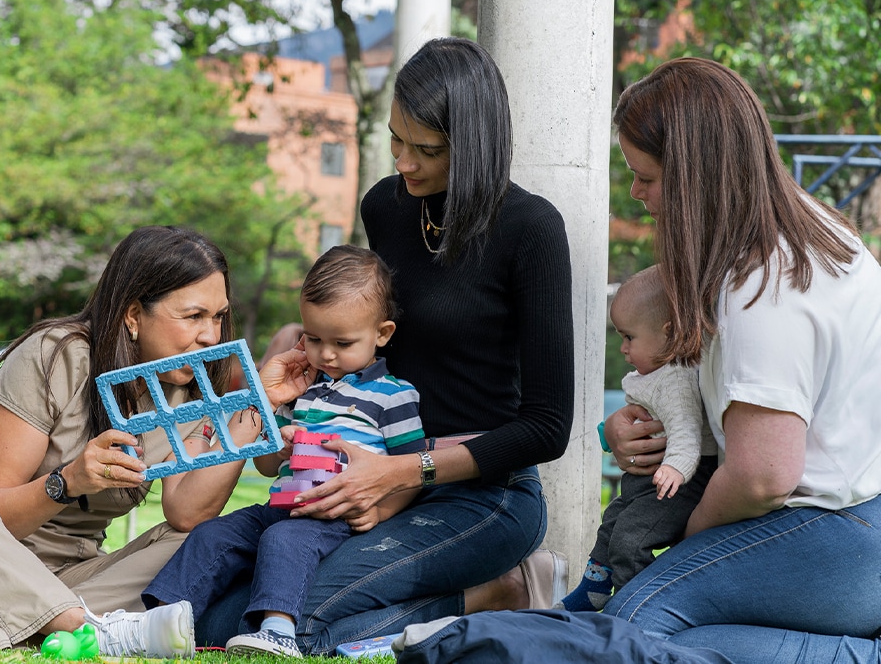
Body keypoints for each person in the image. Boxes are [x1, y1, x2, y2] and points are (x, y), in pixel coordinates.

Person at [392, 57, 881, 663]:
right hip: (846, 522)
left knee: (628, 624)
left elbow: (763, 475)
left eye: (643, 176)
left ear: (693, 176)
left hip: (834, 533)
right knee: (641, 635)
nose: (636, 192)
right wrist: (643, 425)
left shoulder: (764, 285)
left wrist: (689, 543)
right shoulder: (809, 229)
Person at [192, 37, 575, 656]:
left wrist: (402, 471)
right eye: (397, 139)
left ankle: (501, 589)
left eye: (426, 149)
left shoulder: (531, 230)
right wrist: (309, 354)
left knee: (292, 624)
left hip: (483, 494)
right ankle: (469, 599)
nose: (403, 161)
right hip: (372, 478)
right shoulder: (386, 208)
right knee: (224, 617)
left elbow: (548, 427)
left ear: (474, 145)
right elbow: (367, 333)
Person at [0, 226, 315, 658]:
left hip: (69, 580)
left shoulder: (188, 390)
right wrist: (69, 482)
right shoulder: (57, 354)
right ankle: (83, 629)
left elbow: (187, 514)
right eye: (194, 316)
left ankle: (58, 624)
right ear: (132, 316)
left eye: (218, 317)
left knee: (205, 539)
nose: (210, 336)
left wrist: (260, 403)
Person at [144, 245, 425, 658]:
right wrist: (282, 446)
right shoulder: (306, 391)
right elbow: (265, 460)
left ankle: (277, 630)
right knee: (214, 533)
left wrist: (381, 511)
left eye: (342, 342)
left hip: (333, 513)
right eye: (313, 339)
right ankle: (157, 619)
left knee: (284, 539)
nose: (325, 354)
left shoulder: (393, 396)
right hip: (282, 503)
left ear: (382, 334)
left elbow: (409, 468)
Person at [559, 265, 717, 612]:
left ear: (668, 333)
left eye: (629, 337)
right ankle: (593, 589)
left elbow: (687, 435)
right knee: (611, 525)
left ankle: (634, 606)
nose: (623, 349)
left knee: (631, 540)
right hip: (647, 479)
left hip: (679, 482)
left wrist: (675, 469)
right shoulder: (654, 373)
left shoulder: (675, 380)